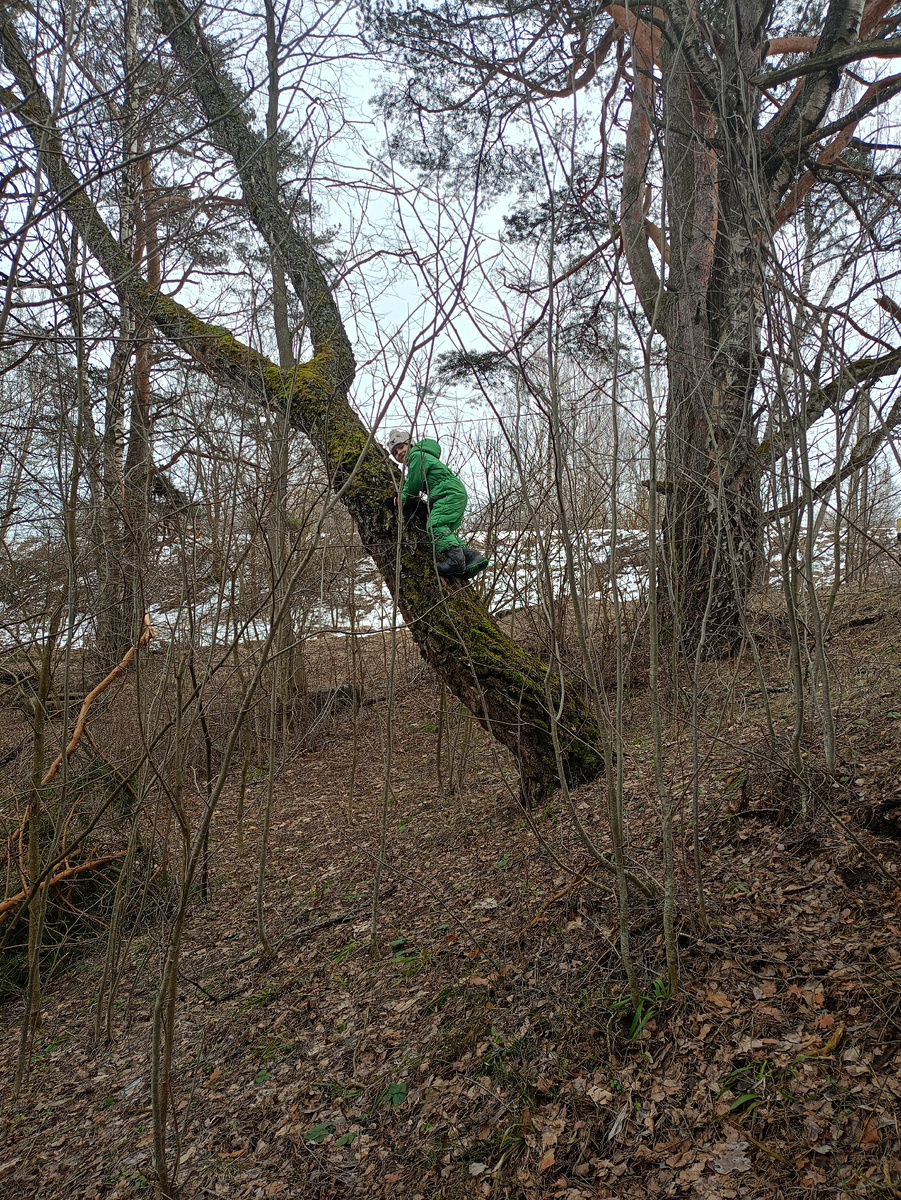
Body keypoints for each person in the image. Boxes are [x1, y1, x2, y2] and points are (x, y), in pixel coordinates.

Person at [387, 428, 488, 578]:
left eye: (401, 447)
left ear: (411, 444)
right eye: (395, 452)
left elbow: (413, 485)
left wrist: (398, 500)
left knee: (435, 525)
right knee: (444, 528)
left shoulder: (416, 456)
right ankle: (470, 557)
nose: (399, 453)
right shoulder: (419, 457)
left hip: (448, 494)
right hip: (452, 493)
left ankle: (455, 561)